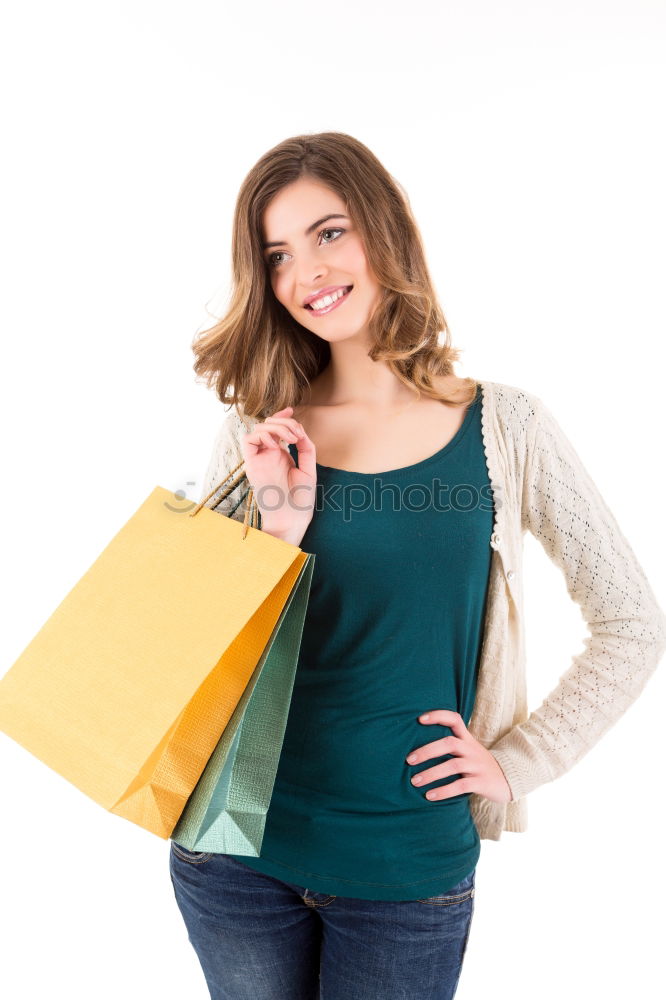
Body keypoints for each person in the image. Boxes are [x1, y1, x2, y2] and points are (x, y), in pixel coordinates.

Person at [168, 132, 666, 1000]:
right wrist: (275, 540)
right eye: (277, 255)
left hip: (408, 865)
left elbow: (632, 619)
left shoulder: (506, 427)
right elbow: (189, 650)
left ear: (384, 230)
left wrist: (520, 760)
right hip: (232, 852)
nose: (307, 273)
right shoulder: (258, 433)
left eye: (330, 233)